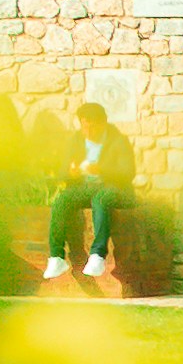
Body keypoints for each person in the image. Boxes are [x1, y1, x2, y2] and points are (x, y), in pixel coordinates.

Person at [41, 102, 138, 292]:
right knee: (62, 200)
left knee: (101, 199)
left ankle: (97, 255)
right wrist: (71, 173)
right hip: (85, 187)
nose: (88, 131)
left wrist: (101, 170)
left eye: (92, 126)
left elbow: (128, 172)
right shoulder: (76, 140)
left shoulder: (118, 141)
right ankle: (56, 257)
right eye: (84, 126)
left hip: (114, 188)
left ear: (103, 123)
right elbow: (62, 173)